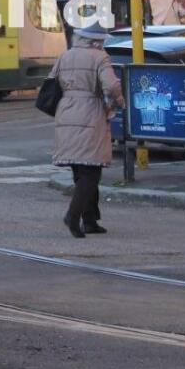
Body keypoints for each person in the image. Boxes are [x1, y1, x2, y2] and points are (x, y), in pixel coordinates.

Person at [49, 23, 125, 238]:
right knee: (91, 172)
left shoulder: (65, 56)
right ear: (96, 41)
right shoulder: (99, 57)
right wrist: (119, 102)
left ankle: (90, 220)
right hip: (90, 113)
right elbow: (110, 86)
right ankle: (73, 216)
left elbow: (51, 82)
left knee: (80, 168)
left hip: (66, 112)